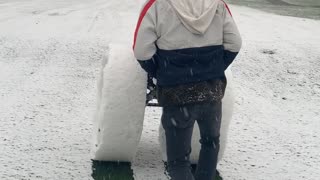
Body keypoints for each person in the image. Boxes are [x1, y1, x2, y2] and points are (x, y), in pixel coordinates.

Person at [133, 0, 242, 179]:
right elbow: (235, 43)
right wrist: (215, 67)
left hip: (176, 92)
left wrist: (160, 71)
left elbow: (141, 51)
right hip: (211, 90)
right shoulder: (217, 4)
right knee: (210, 143)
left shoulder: (156, 5)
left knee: (178, 160)